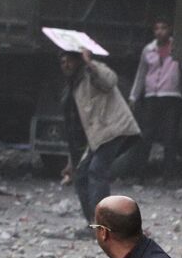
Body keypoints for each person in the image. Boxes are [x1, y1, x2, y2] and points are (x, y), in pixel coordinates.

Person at [60, 49, 140, 224]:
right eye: (63, 61)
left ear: (79, 60)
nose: (66, 65)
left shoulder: (92, 72)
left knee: (96, 171)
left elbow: (110, 80)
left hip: (113, 128)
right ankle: (92, 222)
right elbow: (76, 129)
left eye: (70, 61)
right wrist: (71, 162)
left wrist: (90, 63)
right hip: (98, 136)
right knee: (80, 174)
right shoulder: (72, 86)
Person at [122, 17, 182, 178]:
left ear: (170, 29)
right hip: (152, 96)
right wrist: (134, 96)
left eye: (163, 28)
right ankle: (139, 173)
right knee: (146, 136)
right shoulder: (148, 49)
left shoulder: (177, 47)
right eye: (157, 28)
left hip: (171, 95)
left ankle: (168, 174)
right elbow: (141, 74)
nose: (160, 31)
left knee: (170, 137)